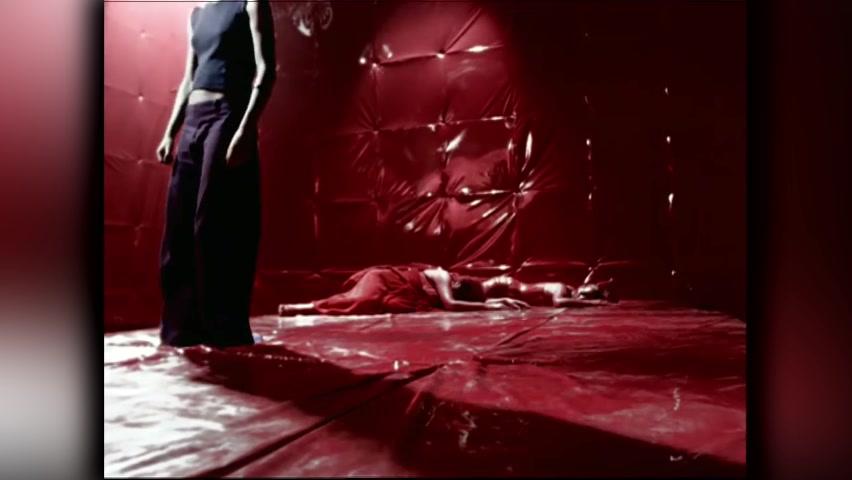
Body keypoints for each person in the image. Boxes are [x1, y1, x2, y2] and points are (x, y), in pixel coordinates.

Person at [155, 0, 276, 348]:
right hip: (194, 119)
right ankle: (182, 329)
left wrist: (246, 129)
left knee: (212, 222)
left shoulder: (249, 3)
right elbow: (188, 80)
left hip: (227, 113)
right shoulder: (196, 13)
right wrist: (171, 132)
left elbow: (267, 69)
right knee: (178, 225)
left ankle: (223, 327)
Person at [277, 265, 615, 316]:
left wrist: (496, 300)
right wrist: (491, 306)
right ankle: (304, 307)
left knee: (371, 306)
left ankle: (307, 308)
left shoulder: (445, 287)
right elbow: (451, 305)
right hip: (384, 280)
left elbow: (453, 303)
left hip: (402, 293)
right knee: (364, 300)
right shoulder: (440, 275)